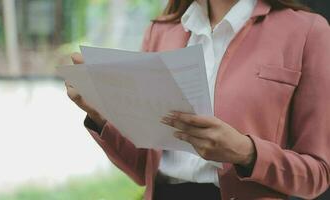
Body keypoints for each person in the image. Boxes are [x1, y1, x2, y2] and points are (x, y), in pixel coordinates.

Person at [65, 0, 330, 199]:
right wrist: (101, 115)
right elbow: (142, 168)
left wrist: (246, 152)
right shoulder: (161, 31)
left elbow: (317, 174)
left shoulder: (307, 31)